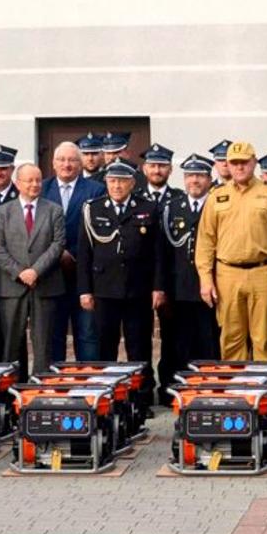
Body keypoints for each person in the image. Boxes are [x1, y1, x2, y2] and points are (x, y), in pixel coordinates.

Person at [196, 141, 267, 360]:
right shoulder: (216, 197)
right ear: (227, 165)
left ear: (254, 163)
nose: (239, 167)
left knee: (263, 338)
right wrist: (205, 279)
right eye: (234, 163)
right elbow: (205, 241)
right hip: (227, 275)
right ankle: (236, 391)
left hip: (264, 273)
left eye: (244, 162)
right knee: (231, 338)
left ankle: (263, 393)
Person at [77, 161, 164, 396]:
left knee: (139, 345)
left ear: (133, 183)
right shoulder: (92, 209)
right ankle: (108, 393)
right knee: (106, 345)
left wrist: (158, 287)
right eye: (112, 181)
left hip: (138, 289)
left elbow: (158, 253)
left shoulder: (148, 207)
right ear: (105, 182)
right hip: (104, 289)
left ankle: (141, 396)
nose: (117, 185)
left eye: (122, 181)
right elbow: (84, 253)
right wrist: (85, 290)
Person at [0, 163, 66, 377]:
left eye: (38, 180)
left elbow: (58, 244)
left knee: (43, 342)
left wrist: (36, 271)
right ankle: (12, 390)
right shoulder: (3, 212)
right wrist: (20, 272)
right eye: (29, 180)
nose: (34, 185)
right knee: (11, 343)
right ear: (17, 183)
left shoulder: (54, 210)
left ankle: (41, 388)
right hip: (12, 286)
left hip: (46, 284)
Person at [159, 155, 220, 387]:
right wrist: (161, 287)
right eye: (190, 176)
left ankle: (208, 387)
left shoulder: (217, 204)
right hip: (178, 288)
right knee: (177, 342)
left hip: (211, 287)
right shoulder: (171, 208)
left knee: (209, 341)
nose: (194, 181)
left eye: (200, 176)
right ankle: (174, 388)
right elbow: (162, 253)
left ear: (209, 178)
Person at [44, 141, 107, 363]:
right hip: (51, 274)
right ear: (53, 163)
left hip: (85, 275)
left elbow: (99, 232)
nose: (67, 164)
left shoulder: (96, 190)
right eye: (61, 159)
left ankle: (89, 386)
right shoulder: (43, 189)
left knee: (88, 335)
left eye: (72, 160)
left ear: (80, 164)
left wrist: (76, 257)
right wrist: (58, 253)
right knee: (53, 335)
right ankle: (55, 385)